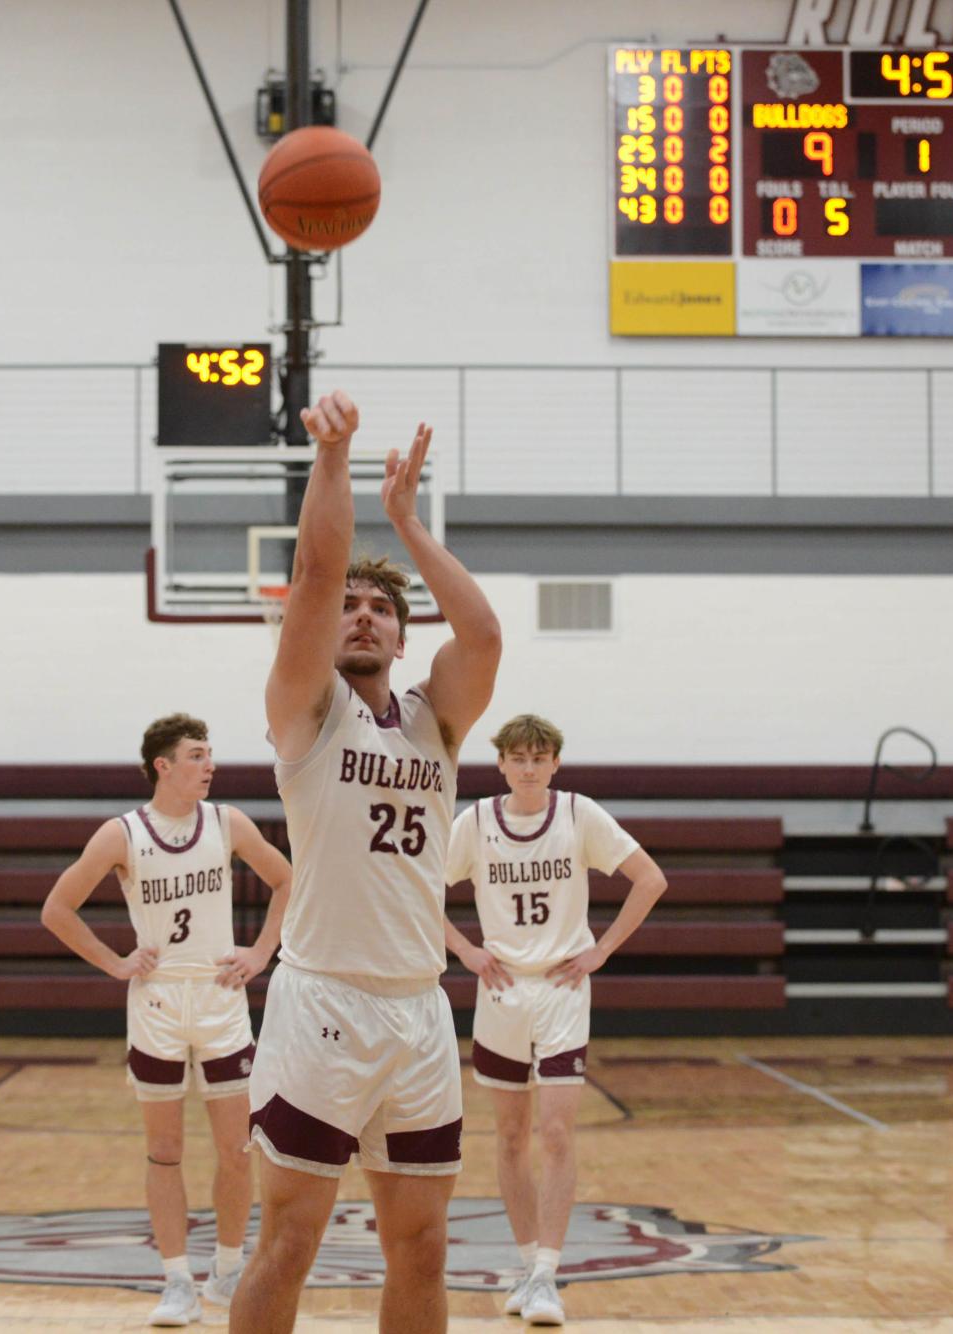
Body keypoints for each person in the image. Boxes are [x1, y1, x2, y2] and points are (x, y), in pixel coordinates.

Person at [232, 391, 502, 1334]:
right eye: (351, 606)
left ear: (400, 634)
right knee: (291, 1240)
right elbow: (311, 575)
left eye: (379, 608)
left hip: (419, 1008)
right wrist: (336, 458)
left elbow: (484, 636)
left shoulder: (436, 719)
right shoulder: (307, 711)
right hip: (324, 1003)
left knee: (422, 1247)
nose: (358, 615)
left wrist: (406, 525)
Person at [41, 713, 291, 1326]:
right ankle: (176, 1280)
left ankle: (227, 1271)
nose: (210, 765)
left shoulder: (227, 822)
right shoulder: (122, 834)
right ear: (164, 765)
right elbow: (57, 909)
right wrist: (114, 963)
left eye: (210, 755)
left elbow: (288, 880)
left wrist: (260, 953)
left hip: (219, 998)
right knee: (166, 1151)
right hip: (156, 1004)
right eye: (198, 755)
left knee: (236, 1149)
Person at [444, 713, 669, 1325]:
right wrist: (464, 950)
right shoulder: (477, 822)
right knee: (512, 1136)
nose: (528, 767)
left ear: (554, 764)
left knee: (557, 1132)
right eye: (518, 758)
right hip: (501, 993)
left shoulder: (578, 815)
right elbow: (416, 888)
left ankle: (547, 1273)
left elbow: (650, 879)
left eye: (539, 758)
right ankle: (525, 1267)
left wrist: (602, 949)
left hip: (563, 990)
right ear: (502, 765)